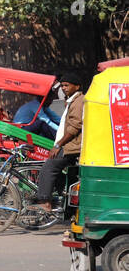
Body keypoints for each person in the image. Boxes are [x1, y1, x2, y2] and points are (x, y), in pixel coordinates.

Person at [33, 73, 84, 217]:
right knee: (59, 171)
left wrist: (58, 145)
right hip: (68, 144)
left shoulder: (79, 102)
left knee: (49, 167)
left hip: (72, 146)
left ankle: (45, 202)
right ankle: (65, 200)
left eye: (67, 85)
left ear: (77, 86)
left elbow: (74, 127)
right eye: (62, 86)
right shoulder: (72, 101)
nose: (64, 88)